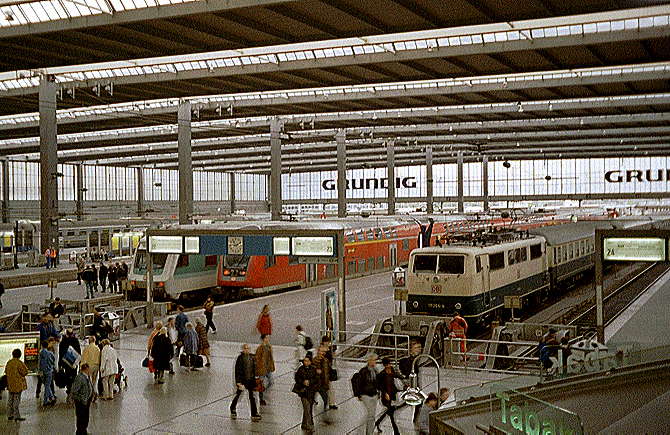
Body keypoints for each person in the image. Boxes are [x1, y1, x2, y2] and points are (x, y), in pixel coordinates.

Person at [230, 343, 261, 422]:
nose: (247, 350)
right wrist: (238, 382)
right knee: (238, 395)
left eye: (248, 348)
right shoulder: (240, 359)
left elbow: (255, 369)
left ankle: (254, 413)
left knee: (252, 397)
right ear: (243, 349)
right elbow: (237, 371)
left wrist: (256, 378)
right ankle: (232, 407)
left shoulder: (252, 357)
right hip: (243, 381)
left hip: (250, 380)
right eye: (245, 348)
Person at [375, 357, 402, 435]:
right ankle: (396, 431)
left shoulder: (391, 370)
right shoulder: (381, 375)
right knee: (391, 414)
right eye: (387, 364)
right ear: (384, 365)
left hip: (392, 393)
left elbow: (395, 375)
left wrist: (402, 378)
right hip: (386, 396)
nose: (389, 365)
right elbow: (379, 386)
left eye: (389, 364)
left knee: (389, 411)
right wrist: (385, 393)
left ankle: (378, 422)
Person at [354, 353, 379, 435]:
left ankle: (369, 432)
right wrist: (359, 394)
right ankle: (361, 431)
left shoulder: (375, 371)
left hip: (374, 394)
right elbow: (358, 383)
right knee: (369, 414)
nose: (374, 362)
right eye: (373, 360)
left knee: (372, 416)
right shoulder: (363, 371)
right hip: (366, 395)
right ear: (369, 361)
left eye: (375, 360)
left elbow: (377, 383)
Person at [399, 340, 422, 422]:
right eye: (416, 348)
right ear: (410, 349)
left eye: (419, 347)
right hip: (411, 383)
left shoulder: (416, 359)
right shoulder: (407, 361)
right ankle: (415, 420)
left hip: (415, 383)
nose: (418, 350)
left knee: (417, 402)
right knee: (417, 401)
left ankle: (415, 419)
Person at [294, 353, 318, 432]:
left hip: (311, 392)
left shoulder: (313, 369)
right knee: (307, 408)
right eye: (305, 361)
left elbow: (316, 380)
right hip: (303, 392)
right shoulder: (301, 369)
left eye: (307, 361)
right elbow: (297, 378)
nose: (306, 362)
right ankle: (310, 424)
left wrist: (310, 382)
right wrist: (303, 382)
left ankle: (304, 423)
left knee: (308, 408)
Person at [5, 348, 28, 422]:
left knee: (10, 400)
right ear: (20, 355)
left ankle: (9, 415)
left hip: (10, 384)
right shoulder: (19, 363)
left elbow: (6, 371)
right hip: (18, 384)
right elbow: (25, 372)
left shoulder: (9, 362)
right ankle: (16, 416)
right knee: (16, 400)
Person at [71, 363, 93, 435]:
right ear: (86, 369)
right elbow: (74, 391)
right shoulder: (80, 378)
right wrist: (80, 399)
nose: (90, 370)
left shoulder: (87, 377)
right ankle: (80, 432)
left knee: (85, 418)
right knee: (81, 418)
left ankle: (84, 431)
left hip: (86, 401)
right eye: (89, 369)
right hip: (81, 402)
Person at [59, 328, 82, 398]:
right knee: (74, 375)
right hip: (74, 362)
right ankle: (73, 389)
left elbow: (61, 353)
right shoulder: (75, 341)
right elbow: (79, 351)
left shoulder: (63, 341)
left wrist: (60, 364)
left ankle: (69, 389)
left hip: (66, 363)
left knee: (68, 375)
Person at [255, 334, 275, 406]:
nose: (268, 339)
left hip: (268, 368)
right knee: (261, 384)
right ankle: (261, 398)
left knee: (271, 382)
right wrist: (257, 369)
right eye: (266, 338)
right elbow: (257, 359)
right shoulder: (260, 348)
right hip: (262, 369)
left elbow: (270, 358)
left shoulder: (269, 347)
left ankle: (264, 393)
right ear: (263, 339)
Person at [312, 344, 332, 416]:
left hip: (323, 382)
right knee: (315, 394)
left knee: (325, 397)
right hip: (317, 382)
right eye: (320, 351)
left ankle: (324, 407)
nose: (322, 353)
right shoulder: (314, 360)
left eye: (323, 352)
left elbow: (327, 372)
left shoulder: (325, 361)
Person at [81, 336, 100, 403]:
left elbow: (84, 358)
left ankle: (92, 394)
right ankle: (95, 391)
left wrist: (81, 366)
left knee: (89, 381)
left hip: (89, 366)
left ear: (89, 341)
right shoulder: (97, 348)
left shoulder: (87, 348)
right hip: (96, 366)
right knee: (95, 381)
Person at [320, 335, 338, 410]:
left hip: (328, 371)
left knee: (330, 388)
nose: (328, 343)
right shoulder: (321, 351)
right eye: (326, 342)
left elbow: (333, 359)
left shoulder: (329, 349)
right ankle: (330, 403)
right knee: (322, 388)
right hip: (324, 371)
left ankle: (332, 403)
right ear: (323, 342)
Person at [39, 339, 57, 406]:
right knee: (47, 386)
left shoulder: (40, 353)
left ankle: (51, 397)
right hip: (49, 371)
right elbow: (53, 361)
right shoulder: (50, 353)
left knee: (46, 385)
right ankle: (45, 401)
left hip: (42, 372)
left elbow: (39, 363)